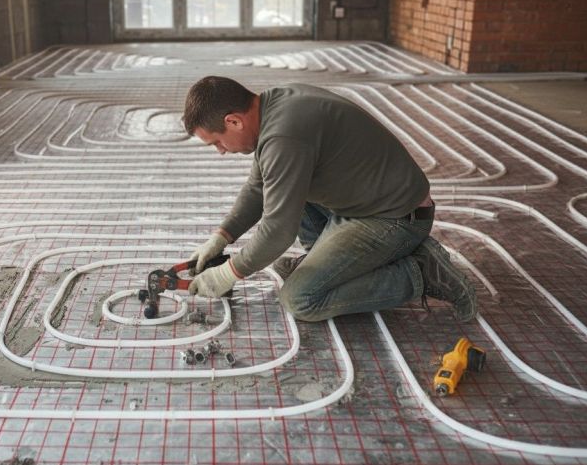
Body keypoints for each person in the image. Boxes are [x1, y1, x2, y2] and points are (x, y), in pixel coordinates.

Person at [182, 76, 477, 322]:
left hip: (395, 217)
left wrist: (228, 273)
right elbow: (259, 187)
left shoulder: (284, 137)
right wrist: (221, 237)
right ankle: (330, 264)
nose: (220, 150)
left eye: (217, 142)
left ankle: (421, 273)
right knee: (282, 188)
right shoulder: (274, 106)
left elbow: (278, 231)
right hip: (367, 199)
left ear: (233, 121)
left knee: (301, 298)